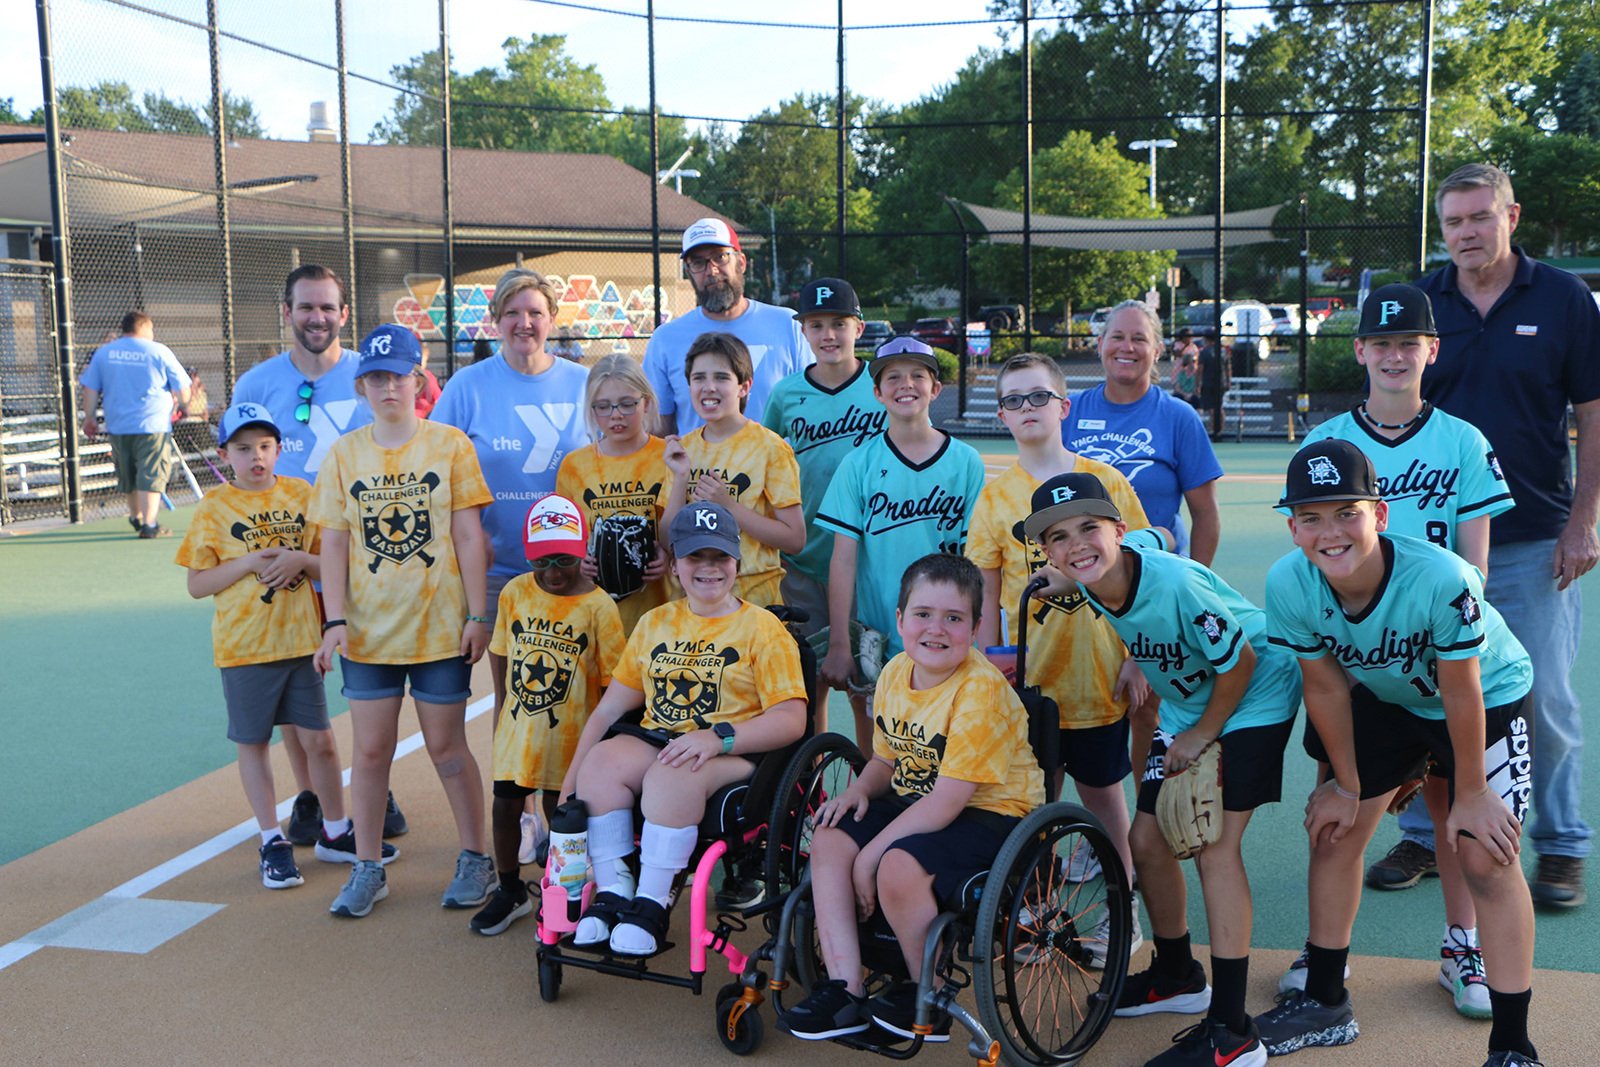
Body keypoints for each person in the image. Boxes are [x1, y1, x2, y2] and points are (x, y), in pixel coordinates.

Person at [1257, 439, 1540, 1067]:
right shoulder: (1290, 580)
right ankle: (1325, 1003)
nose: (1329, 532)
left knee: (1486, 856)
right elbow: (1326, 684)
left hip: (1484, 696)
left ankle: (1513, 1044)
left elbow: (1460, 686)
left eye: (1346, 513)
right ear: (1293, 527)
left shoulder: (1441, 576)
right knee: (1335, 830)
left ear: (1380, 515)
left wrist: (1469, 792)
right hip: (1392, 695)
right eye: (1311, 517)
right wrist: (1350, 785)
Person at [1281, 284, 1515, 1019]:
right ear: (1359, 350)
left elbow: (1474, 565)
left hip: (1439, 647)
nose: (1392, 354)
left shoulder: (1462, 440)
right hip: (1354, 666)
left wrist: (1429, 639)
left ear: (1430, 350)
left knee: (1453, 802)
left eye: (1407, 342)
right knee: (1340, 804)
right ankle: (1327, 957)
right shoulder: (1326, 443)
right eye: (1379, 343)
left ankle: (1462, 942)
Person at [1029, 472, 1300, 1067]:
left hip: (1252, 694)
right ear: (1044, 553)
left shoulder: (1175, 584)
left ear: (1115, 531)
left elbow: (1242, 662)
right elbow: (1152, 536)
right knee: (1145, 840)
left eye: (1088, 530)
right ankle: (1178, 974)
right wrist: (1066, 579)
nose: (1076, 546)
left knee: (1214, 848)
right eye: (1058, 539)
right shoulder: (1097, 571)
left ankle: (1233, 1033)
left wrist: (1203, 736)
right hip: (1188, 701)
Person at [1414, 162, 1600, 910]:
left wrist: (1585, 519)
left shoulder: (1562, 298)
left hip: (1530, 537)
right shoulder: (1423, 299)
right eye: (1452, 221)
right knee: (1422, 693)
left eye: (1478, 218)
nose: (1465, 233)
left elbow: (1592, 415)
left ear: (1510, 217)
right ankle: (1425, 835)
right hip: (1432, 546)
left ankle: (1560, 843)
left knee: (1543, 698)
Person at [775, 553, 1044, 1042]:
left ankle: (931, 993)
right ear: (899, 621)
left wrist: (871, 857)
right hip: (920, 799)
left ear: (976, 626)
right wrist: (857, 789)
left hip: (990, 812)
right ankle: (844, 988)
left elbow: (946, 803)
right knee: (831, 838)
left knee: (895, 864)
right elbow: (886, 761)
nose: (936, 629)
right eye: (923, 614)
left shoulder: (979, 691)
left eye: (954, 618)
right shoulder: (898, 671)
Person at [556, 500, 809, 956]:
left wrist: (717, 738)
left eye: (719, 557)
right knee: (603, 761)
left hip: (735, 753)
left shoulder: (763, 630)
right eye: (695, 556)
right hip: (662, 740)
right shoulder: (656, 623)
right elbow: (608, 711)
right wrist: (569, 785)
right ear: (674, 565)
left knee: (675, 769)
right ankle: (614, 891)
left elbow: (792, 720)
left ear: (737, 563)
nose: (708, 568)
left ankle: (653, 902)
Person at [966, 352, 1153, 964]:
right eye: (1014, 400)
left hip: (1098, 679)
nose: (1028, 409)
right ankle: (1039, 920)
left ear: (1064, 406)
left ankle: (1122, 919)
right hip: (1033, 686)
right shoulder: (995, 499)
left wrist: (1138, 653)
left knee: (1106, 807)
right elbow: (988, 591)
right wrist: (993, 658)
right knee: (1033, 808)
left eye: (1039, 396)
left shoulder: (1105, 481)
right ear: (1000, 415)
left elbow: (1145, 569)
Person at [310, 324, 495, 919]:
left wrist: (477, 612)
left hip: (440, 628)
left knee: (446, 748)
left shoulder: (449, 445)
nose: (388, 387)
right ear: (362, 385)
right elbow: (334, 545)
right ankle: (368, 867)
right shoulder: (345, 453)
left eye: (400, 375)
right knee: (369, 753)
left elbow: (469, 536)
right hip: (369, 633)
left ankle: (476, 858)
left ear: (419, 379)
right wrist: (334, 620)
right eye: (377, 378)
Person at [230, 265, 402, 851]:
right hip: (283, 559)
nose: (317, 318)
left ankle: (373, 784)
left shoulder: (371, 375)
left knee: (366, 671)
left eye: (328, 308)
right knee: (294, 678)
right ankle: (312, 795)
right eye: (306, 307)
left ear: (344, 313)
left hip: (363, 553)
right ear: (287, 312)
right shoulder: (256, 383)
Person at [432, 268, 593, 862]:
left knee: (583, 689)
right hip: (502, 572)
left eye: (536, 313)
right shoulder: (469, 387)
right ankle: (524, 816)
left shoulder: (583, 383)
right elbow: (439, 466)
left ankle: (575, 806)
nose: (524, 324)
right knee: (516, 696)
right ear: (495, 320)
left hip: (578, 570)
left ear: (553, 320)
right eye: (512, 314)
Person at [174, 402, 353, 890]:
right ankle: (271, 839)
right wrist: (249, 562)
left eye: (266, 446)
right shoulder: (214, 507)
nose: (257, 456)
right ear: (224, 453)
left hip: (301, 643)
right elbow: (197, 584)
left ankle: (335, 831)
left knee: (321, 739)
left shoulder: (301, 494)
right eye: (244, 447)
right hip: (245, 649)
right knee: (254, 743)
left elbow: (332, 564)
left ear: (279, 449)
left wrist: (299, 559)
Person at [815, 337, 987, 752]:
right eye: (892, 377)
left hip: (947, 631)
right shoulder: (859, 463)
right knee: (881, 742)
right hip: (882, 631)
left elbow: (979, 559)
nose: (905, 384)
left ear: (935, 389)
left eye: (917, 375)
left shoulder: (965, 461)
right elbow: (843, 560)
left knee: (947, 737)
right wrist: (840, 641)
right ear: (877, 392)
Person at [471, 495, 625, 936]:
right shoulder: (516, 591)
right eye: (541, 560)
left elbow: (611, 681)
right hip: (519, 731)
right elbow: (500, 654)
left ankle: (564, 894)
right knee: (505, 805)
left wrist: (603, 741)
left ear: (582, 553)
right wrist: (502, 713)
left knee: (563, 813)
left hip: (571, 736)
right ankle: (510, 890)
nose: (553, 572)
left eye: (564, 559)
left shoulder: (600, 607)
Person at [761, 277, 887, 738]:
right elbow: (766, 461)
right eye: (816, 325)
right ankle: (809, 790)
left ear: (859, 326)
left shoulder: (883, 385)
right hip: (802, 560)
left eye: (839, 323)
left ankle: (871, 790)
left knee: (865, 686)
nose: (828, 335)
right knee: (808, 684)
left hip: (867, 560)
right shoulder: (786, 394)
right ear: (804, 332)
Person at [1064, 301, 1223, 564]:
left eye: (1139, 339)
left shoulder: (1179, 417)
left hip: (1158, 576)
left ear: (1158, 350)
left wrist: (1196, 580)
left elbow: (1206, 512)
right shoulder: (1067, 411)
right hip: (1081, 576)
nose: (1127, 347)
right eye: (1117, 337)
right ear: (1101, 343)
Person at [660, 332, 806, 608]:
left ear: (744, 386)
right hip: (693, 603)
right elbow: (668, 540)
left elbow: (795, 539)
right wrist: (681, 478)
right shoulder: (683, 449)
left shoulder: (769, 447)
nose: (709, 387)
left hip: (754, 600)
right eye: (699, 378)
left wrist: (729, 507)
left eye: (722, 377)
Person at [644, 218, 812, 436]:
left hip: (775, 468)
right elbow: (658, 428)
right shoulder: (665, 339)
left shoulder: (788, 326)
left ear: (741, 262)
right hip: (698, 469)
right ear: (688, 273)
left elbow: (812, 407)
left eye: (720, 257)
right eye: (698, 263)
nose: (711, 270)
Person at [556, 353, 674, 638]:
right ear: (591, 409)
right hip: (596, 618)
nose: (616, 415)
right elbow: (565, 537)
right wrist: (577, 559)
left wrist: (666, 554)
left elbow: (681, 531)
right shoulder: (575, 465)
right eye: (604, 407)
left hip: (658, 616)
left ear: (646, 402)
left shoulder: (668, 457)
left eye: (626, 404)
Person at [78, 310, 192, 538]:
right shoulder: (159, 351)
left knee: (127, 473)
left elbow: (90, 388)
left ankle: (136, 517)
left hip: (118, 424)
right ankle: (150, 524)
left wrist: (89, 416)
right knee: (152, 471)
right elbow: (182, 385)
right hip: (153, 424)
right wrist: (184, 405)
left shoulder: (104, 353)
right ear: (145, 326)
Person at [1171, 329, 1201, 406]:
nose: (1190, 338)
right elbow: (1178, 354)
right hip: (1180, 370)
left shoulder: (1193, 346)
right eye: (1188, 336)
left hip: (1191, 372)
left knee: (1190, 392)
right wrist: (1186, 346)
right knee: (1179, 391)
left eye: (1191, 337)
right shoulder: (1178, 344)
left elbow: (1196, 356)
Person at [414, 348, 442, 418]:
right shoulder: (406, 376)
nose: (422, 363)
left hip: (422, 416)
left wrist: (427, 413)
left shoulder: (428, 377)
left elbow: (438, 399)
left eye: (424, 360)